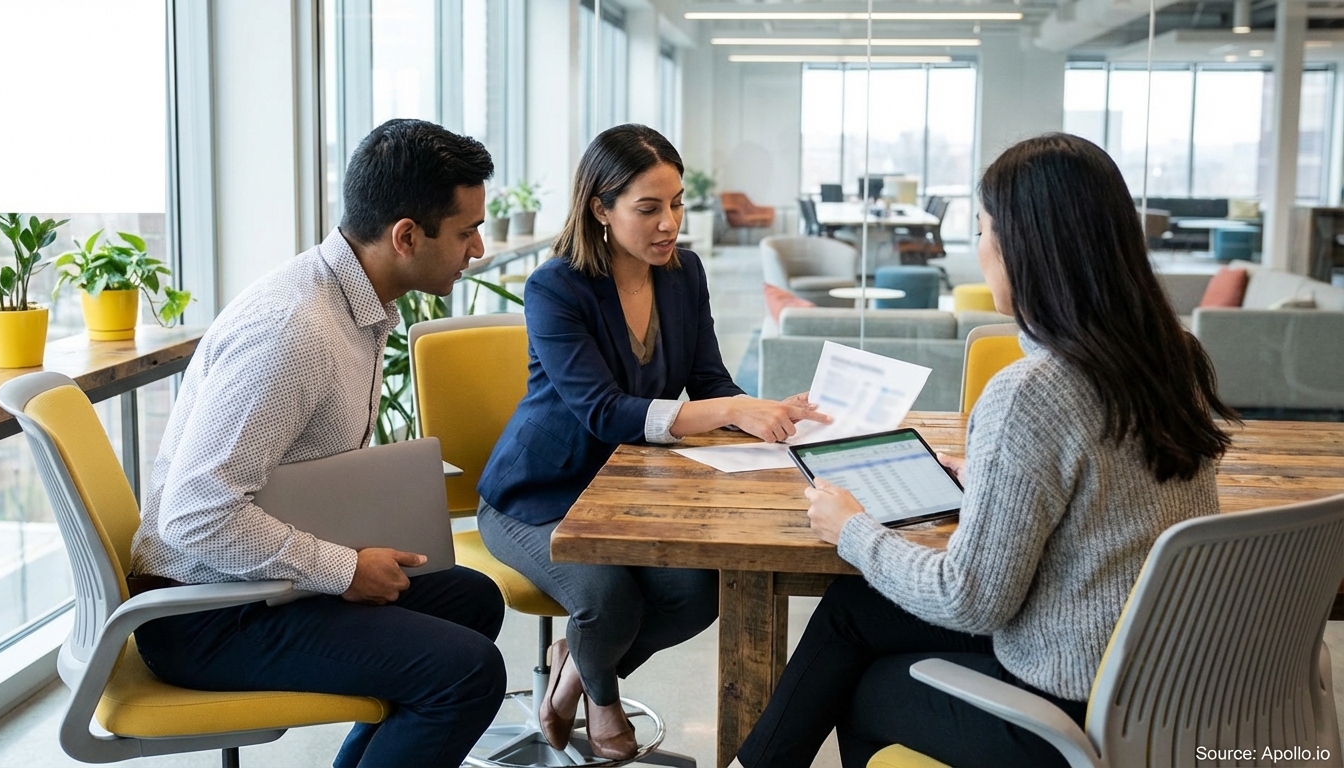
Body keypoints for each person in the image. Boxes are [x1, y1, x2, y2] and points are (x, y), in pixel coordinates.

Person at [733, 133, 1239, 768]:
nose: (977, 249)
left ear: (1020, 248)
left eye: (981, 230)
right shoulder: (1178, 357)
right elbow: (1110, 496)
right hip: (1161, 681)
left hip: (1071, 708)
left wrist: (851, 528)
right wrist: (995, 483)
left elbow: (970, 598)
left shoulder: (1031, 393)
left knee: (863, 690)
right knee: (851, 612)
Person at [129, 119, 508, 768]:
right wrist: (343, 570)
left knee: (473, 600)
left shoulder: (350, 303)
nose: (478, 248)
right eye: (466, 230)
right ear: (406, 236)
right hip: (207, 612)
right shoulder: (295, 331)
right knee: (466, 673)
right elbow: (194, 513)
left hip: (257, 585)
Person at [475, 123, 829, 760]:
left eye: (676, 205)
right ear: (600, 209)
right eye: (648, 208)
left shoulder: (683, 273)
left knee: (695, 594)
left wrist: (762, 413)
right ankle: (600, 704)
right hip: (536, 495)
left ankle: (573, 674)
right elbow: (605, 413)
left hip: (626, 495)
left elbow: (710, 379)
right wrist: (729, 407)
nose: (669, 224)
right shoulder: (556, 287)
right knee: (606, 599)